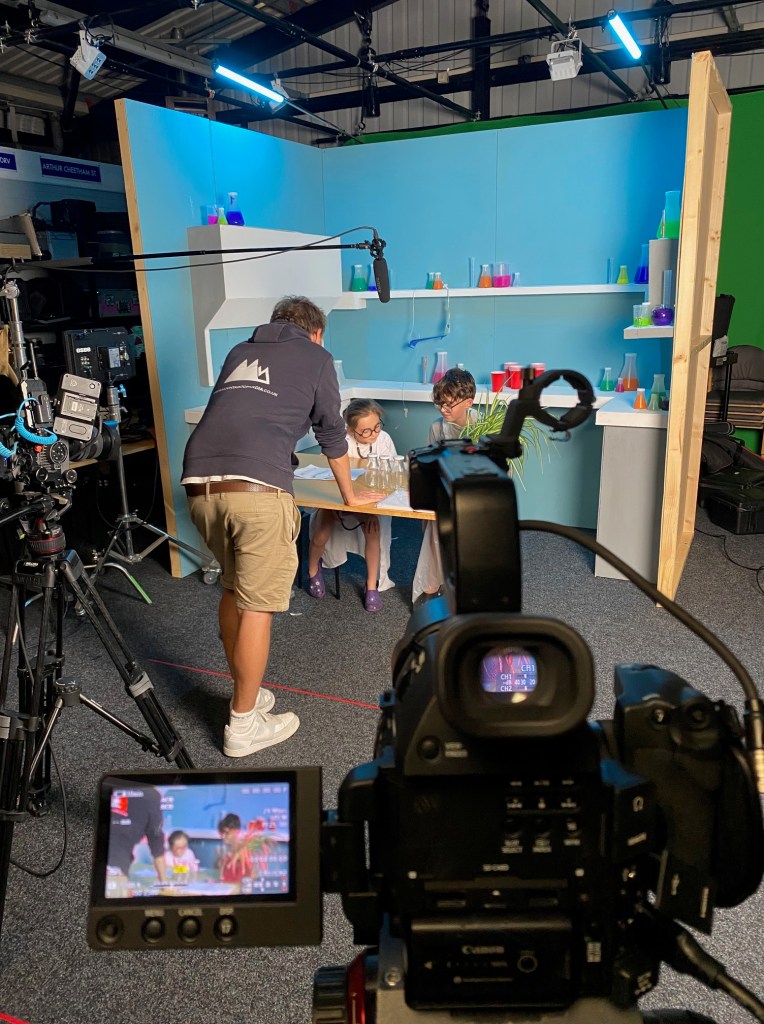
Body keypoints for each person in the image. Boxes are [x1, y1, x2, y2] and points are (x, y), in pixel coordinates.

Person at [182, 296, 383, 757]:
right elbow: (332, 433)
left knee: (233, 588)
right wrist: (350, 496)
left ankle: (245, 695)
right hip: (257, 493)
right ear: (316, 332)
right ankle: (242, 725)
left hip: (200, 485)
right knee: (258, 606)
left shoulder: (239, 351)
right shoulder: (317, 356)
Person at [307, 398, 397, 611]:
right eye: (366, 431)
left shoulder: (384, 439)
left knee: (373, 529)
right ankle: (312, 570)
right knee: (321, 533)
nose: (373, 434)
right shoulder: (340, 442)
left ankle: (371, 585)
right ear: (350, 429)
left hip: (366, 503)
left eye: (377, 426)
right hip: (337, 500)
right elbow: (328, 476)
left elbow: (390, 476)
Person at [412, 368, 476, 607]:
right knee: (434, 523)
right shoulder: (437, 428)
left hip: (472, 493)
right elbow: (429, 463)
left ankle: (448, 585)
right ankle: (433, 583)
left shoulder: (482, 426)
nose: (443, 409)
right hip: (445, 489)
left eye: (449, 405)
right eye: (439, 404)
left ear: (468, 402)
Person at [107, 784, 167, 886]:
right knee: (116, 888)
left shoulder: (111, 785)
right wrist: (165, 883)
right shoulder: (150, 794)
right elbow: (155, 835)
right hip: (116, 857)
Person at [216, 813, 254, 885]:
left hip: (239, 886)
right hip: (227, 885)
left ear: (237, 831)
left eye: (227, 833)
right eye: (221, 833)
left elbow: (249, 873)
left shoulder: (243, 850)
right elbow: (221, 874)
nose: (223, 837)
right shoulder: (225, 849)